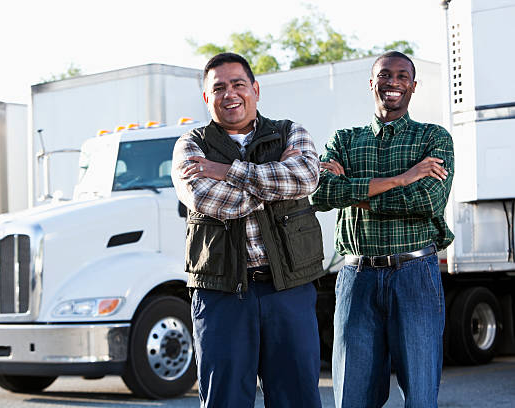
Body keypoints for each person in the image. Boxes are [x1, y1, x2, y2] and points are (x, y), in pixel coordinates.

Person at [171, 52, 325, 408]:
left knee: (297, 399)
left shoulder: (291, 131)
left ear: (255, 88)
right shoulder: (190, 146)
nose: (230, 94)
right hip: (222, 294)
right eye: (219, 88)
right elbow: (207, 199)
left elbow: (306, 176)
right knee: (225, 400)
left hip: (287, 289)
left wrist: (226, 172)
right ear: (207, 98)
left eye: (238, 84)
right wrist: (274, 184)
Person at [311, 51, 454, 407]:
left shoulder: (433, 139)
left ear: (413, 86)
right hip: (357, 278)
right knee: (353, 399)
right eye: (385, 75)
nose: (393, 82)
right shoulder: (344, 140)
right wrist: (401, 179)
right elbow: (320, 192)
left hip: (415, 276)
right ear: (372, 83)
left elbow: (428, 201)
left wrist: (355, 191)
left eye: (402, 76)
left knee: (420, 398)